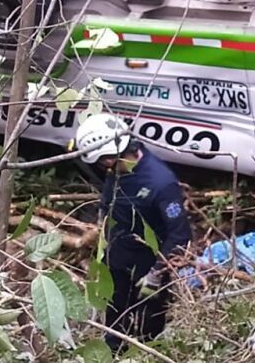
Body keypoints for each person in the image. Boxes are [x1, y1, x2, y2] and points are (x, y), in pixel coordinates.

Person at [75, 113, 192, 353]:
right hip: (117, 258)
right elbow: (109, 203)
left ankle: (148, 353)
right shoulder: (117, 171)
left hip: (149, 264)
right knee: (115, 317)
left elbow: (180, 234)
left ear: (109, 158)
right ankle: (113, 352)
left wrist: (157, 272)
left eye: (100, 162)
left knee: (149, 322)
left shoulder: (161, 183)